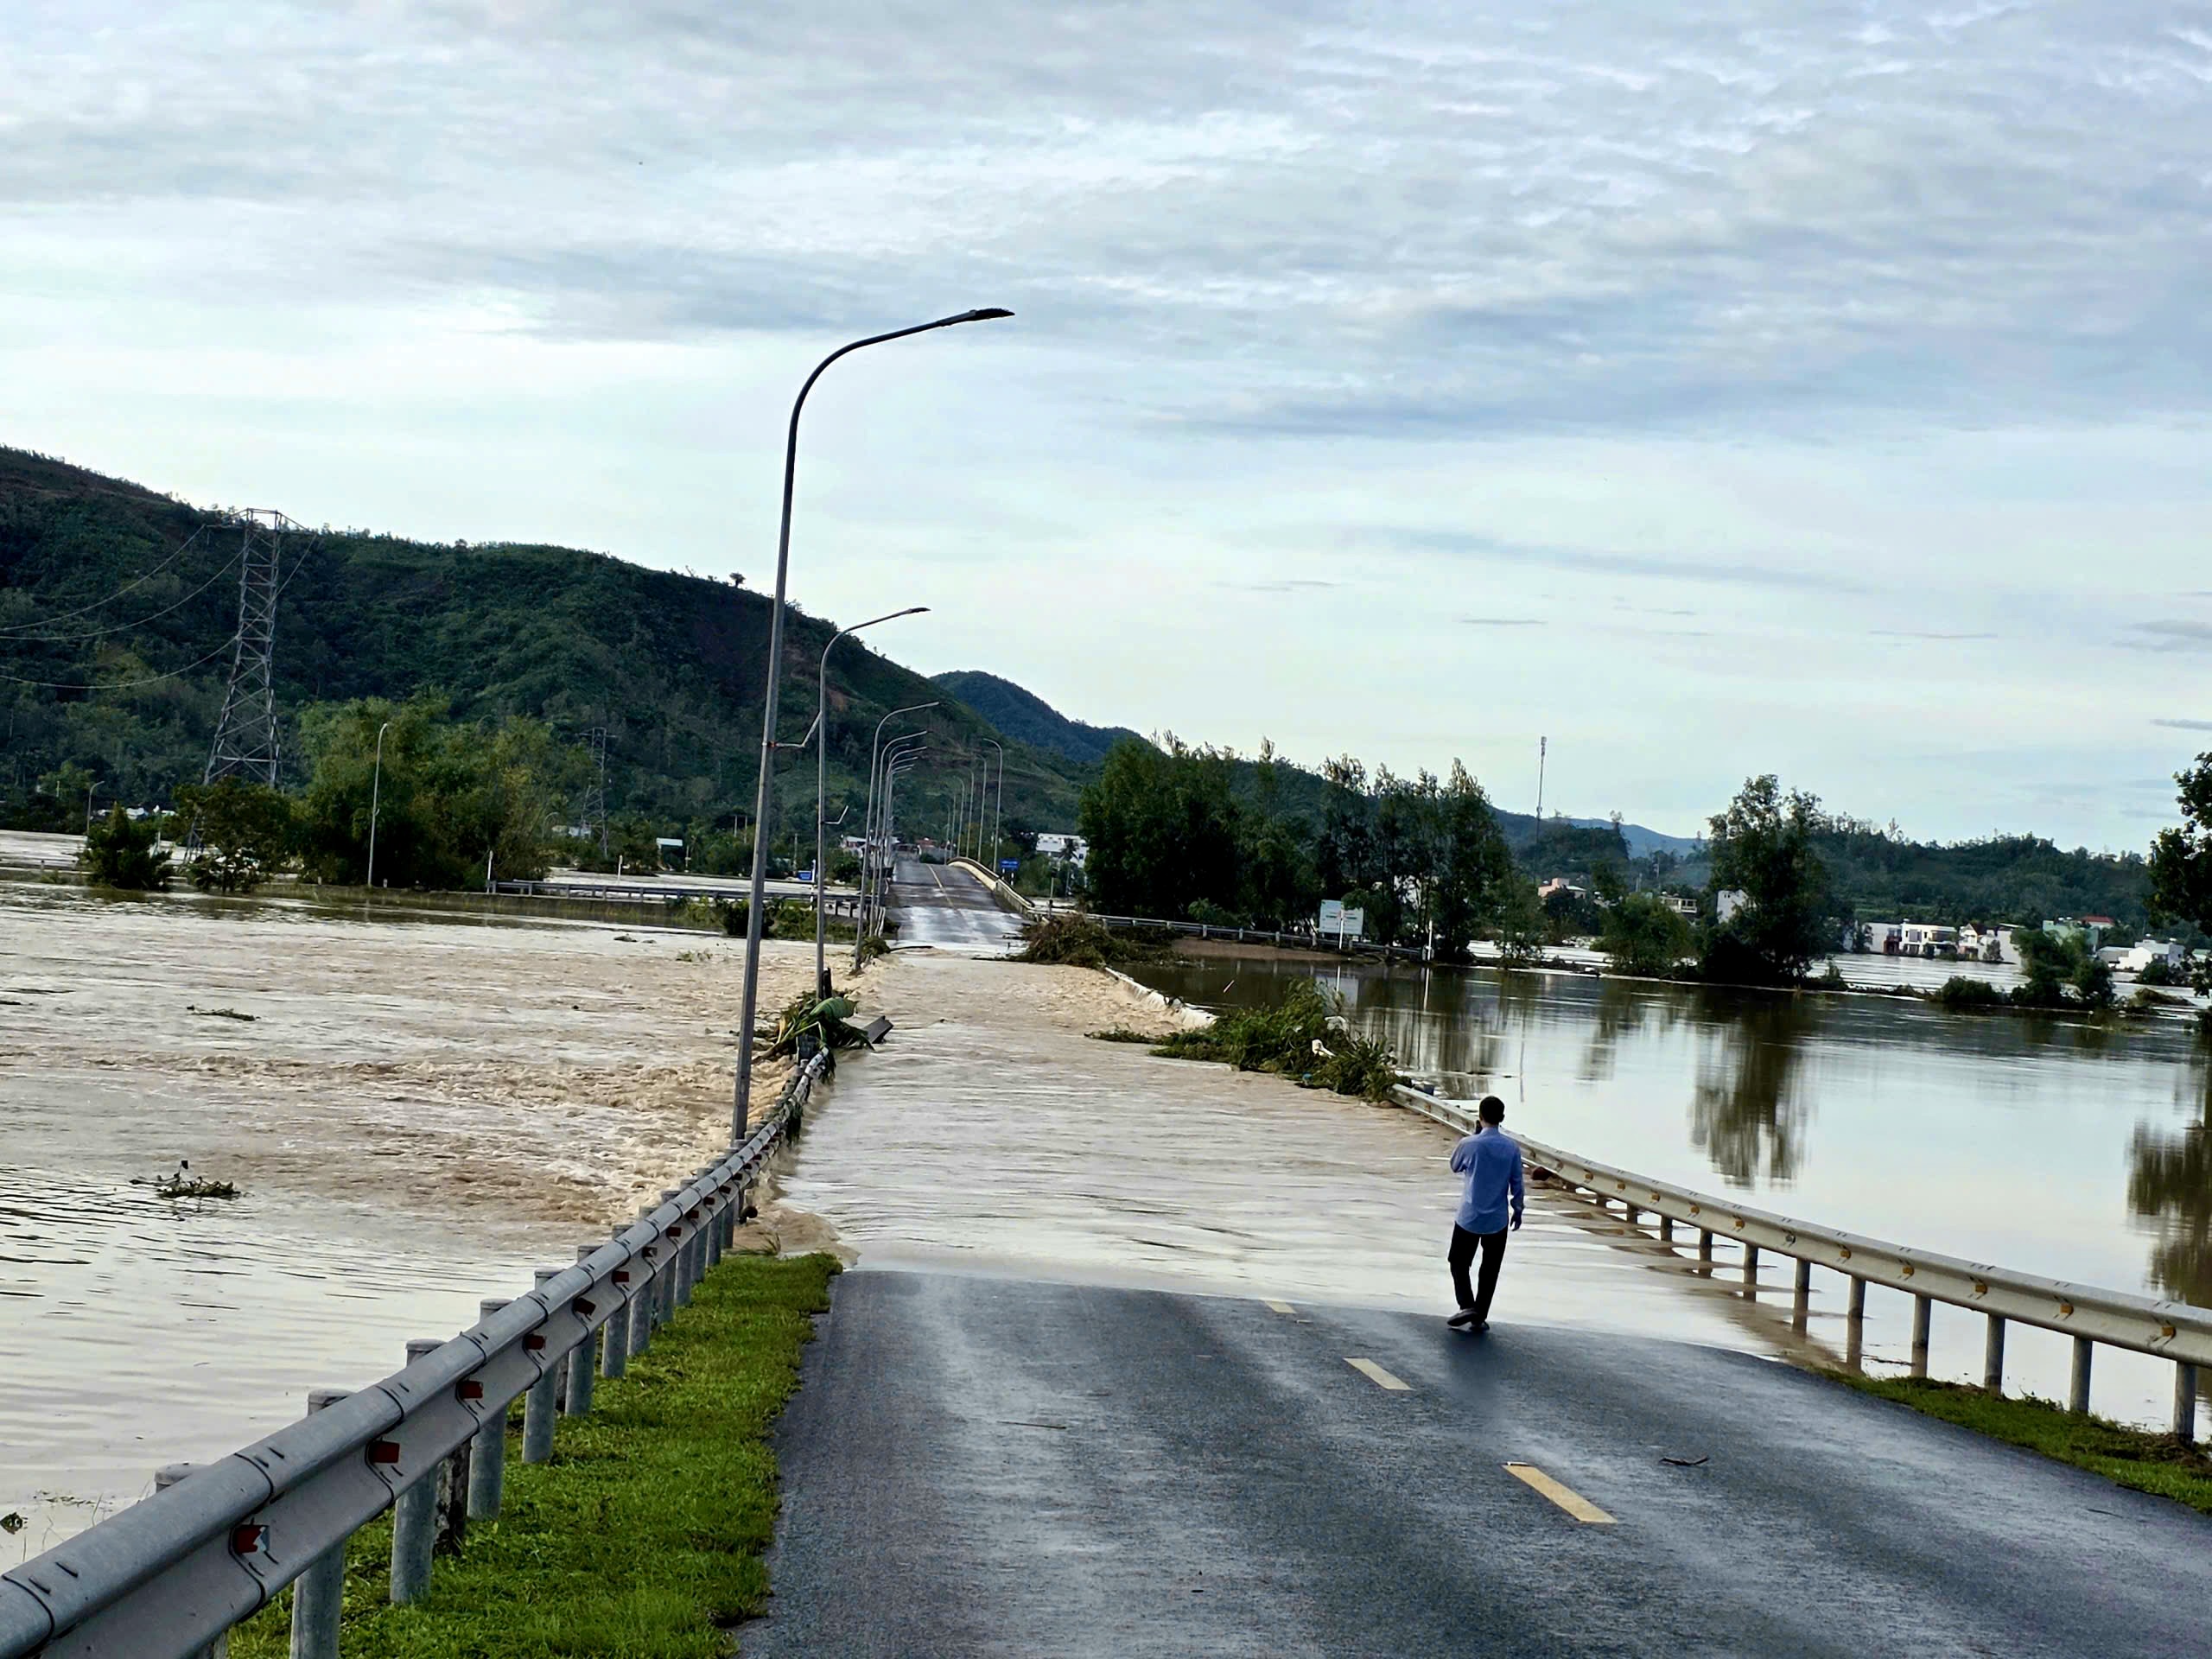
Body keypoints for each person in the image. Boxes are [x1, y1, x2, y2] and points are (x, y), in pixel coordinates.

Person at [1446, 1095, 1523, 1331]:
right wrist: (1518, 1209)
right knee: (1490, 1269)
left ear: (1479, 1117)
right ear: (1502, 1118)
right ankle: (1479, 1316)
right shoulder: (1511, 1147)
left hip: (1469, 1216)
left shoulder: (1469, 1144)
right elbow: (1517, 1182)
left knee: (1458, 1262)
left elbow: (1454, 1166)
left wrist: (1475, 1135)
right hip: (1498, 1219)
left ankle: (1467, 1304)